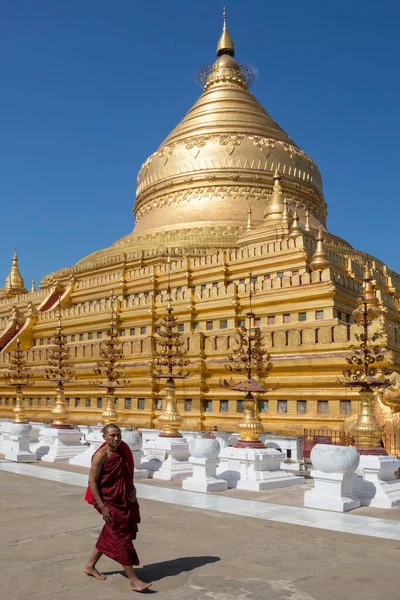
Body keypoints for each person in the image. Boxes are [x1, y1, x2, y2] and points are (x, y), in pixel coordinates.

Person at [84, 424, 151, 593]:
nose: (116, 438)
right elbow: (92, 482)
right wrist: (102, 506)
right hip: (109, 501)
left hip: (123, 498)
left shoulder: (122, 450)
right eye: (112, 435)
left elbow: (127, 472)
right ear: (104, 437)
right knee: (120, 537)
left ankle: (90, 566)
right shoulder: (100, 456)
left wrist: (133, 488)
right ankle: (134, 580)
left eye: (119, 435)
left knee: (111, 532)